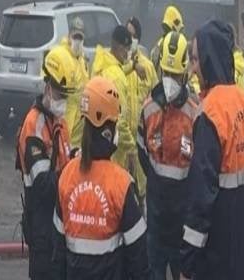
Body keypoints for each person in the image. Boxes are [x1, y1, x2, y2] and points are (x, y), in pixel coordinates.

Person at [179, 20, 244, 280]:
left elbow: (200, 202)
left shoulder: (209, 115)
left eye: (195, 60)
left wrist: (186, 265)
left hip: (219, 261)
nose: (192, 69)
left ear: (207, 59)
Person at [53, 76, 149, 280]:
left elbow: (58, 253)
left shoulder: (66, 176)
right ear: (107, 130)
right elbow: (139, 258)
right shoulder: (121, 185)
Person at [138, 30, 200, 280]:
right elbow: (143, 154)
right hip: (155, 217)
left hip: (183, 221)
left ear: (185, 73)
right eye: (167, 73)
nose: (170, 79)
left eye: (175, 74)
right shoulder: (148, 109)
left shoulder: (195, 113)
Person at [16, 47, 75, 280]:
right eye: (60, 94)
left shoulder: (57, 122)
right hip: (42, 227)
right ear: (47, 86)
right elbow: (43, 184)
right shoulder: (34, 126)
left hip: (57, 227)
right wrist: (74, 174)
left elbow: (65, 158)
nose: (63, 101)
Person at [90, 26, 144, 200]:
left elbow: (119, 68)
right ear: (121, 48)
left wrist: (133, 66)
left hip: (96, 144)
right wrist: (133, 149)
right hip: (115, 152)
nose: (128, 53)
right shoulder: (117, 78)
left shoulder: (101, 65)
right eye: (127, 50)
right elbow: (119, 120)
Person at [53, 16, 89, 151]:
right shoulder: (61, 55)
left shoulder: (82, 58)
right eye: (75, 37)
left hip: (79, 121)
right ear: (69, 35)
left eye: (81, 38)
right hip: (65, 117)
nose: (78, 41)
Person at [126, 17, 157, 102]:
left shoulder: (148, 67)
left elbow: (156, 97)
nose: (131, 39)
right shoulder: (119, 65)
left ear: (138, 39)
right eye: (129, 35)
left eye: (134, 36)